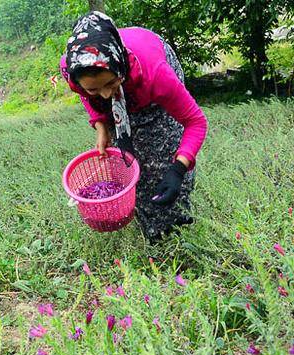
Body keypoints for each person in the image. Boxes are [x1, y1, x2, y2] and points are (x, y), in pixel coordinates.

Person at [59, 11, 208, 243]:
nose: (107, 94)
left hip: (146, 75)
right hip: (122, 78)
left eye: (110, 83)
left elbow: (195, 122)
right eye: (94, 88)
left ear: (119, 66)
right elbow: (87, 97)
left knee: (165, 148)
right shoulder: (73, 69)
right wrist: (101, 124)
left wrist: (178, 169)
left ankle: (178, 228)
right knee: (133, 161)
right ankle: (152, 232)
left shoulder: (156, 74)